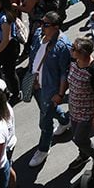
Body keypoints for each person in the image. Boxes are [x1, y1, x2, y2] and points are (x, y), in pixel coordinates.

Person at [27, 11, 71, 168]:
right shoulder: (39, 34)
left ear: (56, 27)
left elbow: (64, 74)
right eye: (41, 22)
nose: (41, 26)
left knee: (45, 121)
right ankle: (65, 121)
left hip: (49, 88)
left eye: (46, 24)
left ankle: (43, 149)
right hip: (35, 83)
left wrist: (60, 94)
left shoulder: (63, 46)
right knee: (46, 109)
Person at [66, 36, 94, 173]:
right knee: (76, 135)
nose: (71, 50)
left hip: (87, 112)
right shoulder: (74, 61)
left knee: (80, 139)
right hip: (74, 107)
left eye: (74, 49)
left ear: (83, 53)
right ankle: (83, 154)